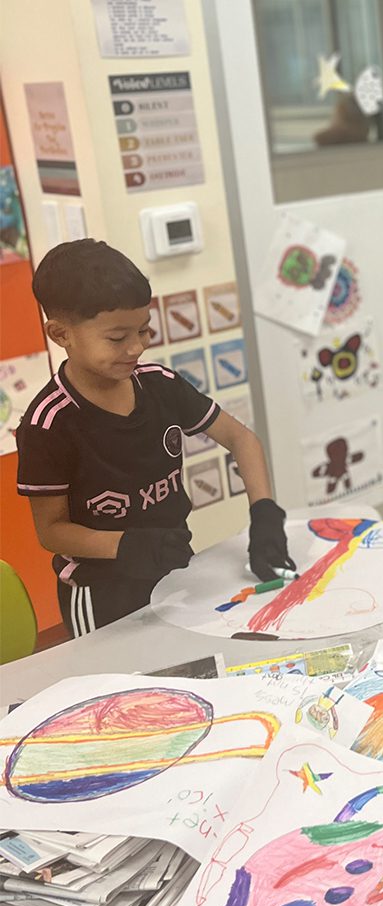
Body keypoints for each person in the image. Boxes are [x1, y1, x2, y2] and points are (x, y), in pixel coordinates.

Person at [16, 239, 294, 636]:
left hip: (175, 570)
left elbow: (240, 438)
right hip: (101, 593)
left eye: (144, 330)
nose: (136, 348)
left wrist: (264, 512)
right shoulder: (50, 424)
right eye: (116, 338)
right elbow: (52, 531)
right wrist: (125, 546)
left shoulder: (159, 385)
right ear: (61, 334)